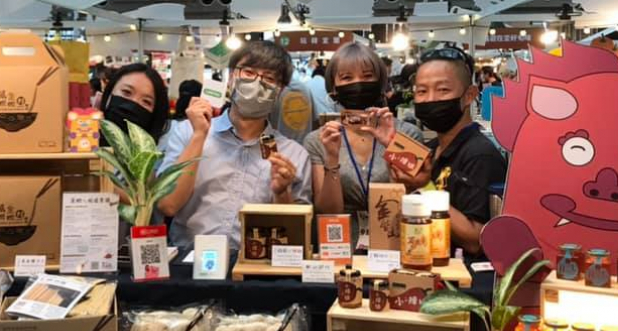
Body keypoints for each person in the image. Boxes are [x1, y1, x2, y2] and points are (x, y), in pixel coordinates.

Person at [158, 40, 312, 250]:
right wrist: (199, 135)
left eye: (269, 78)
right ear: (231, 77)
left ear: (280, 90)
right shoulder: (188, 132)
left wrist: (282, 192)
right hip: (189, 259)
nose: (256, 83)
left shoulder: (293, 155)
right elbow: (167, 204)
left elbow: (296, 236)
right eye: (248, 72)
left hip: (255, 263)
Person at [303, 43, 424, 239]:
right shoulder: (320, 139)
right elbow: (327, 212)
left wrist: (392, 145)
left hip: (397, 240)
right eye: (347, 78)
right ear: (333, 87)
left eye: (367, 76)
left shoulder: (408, 134)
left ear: (380, 81)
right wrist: (332, 158)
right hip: (341, 244)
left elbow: (416, 196)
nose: (358, 83)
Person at [398, 46, 507, 258]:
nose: (430, 99)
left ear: (469, 95)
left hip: (463, 275)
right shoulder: (431, 149)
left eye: (443, 90)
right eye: (421, 91)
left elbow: (476, 239)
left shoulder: (480, 154)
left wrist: (424, 187)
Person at [98, 63, 169, 143]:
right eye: (126, 92)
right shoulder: (89, 139)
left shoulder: (161, 149)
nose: (132, 105)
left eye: (146, 101)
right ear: (110, 92)